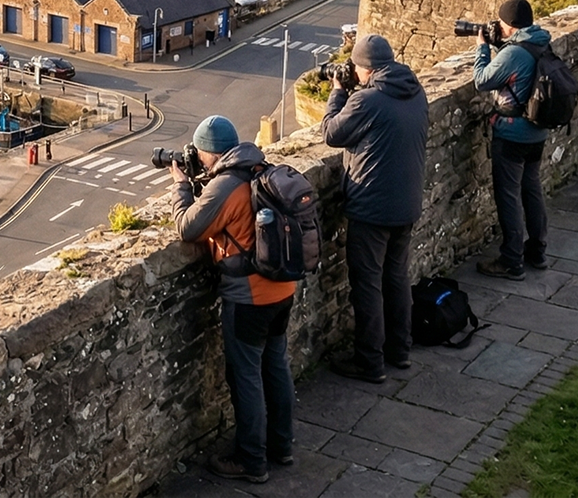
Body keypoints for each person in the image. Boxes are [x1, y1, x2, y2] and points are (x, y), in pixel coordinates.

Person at [172, 115, 295, 484]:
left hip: (250, 297)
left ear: (208, 153)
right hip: (283, 289)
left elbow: (187, 228)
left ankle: (251, 460)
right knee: (275, 367)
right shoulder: (259, 167)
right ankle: (282, 446)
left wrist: (181, 189)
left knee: (246, 377)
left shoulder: (225, 184)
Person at [321, 34, 428, 384]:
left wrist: (338, 91)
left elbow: (331, 134)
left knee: (367, 283)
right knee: (396, 278)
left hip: (372, 206)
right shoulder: (415, 89)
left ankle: (370, 361)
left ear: (363, 69)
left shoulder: (366, 100)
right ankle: (399, 351)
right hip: (407, 202)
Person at [472, 0, 551, 279]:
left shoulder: (514, 53)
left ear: (508, 25)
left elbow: (482, 81)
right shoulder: (539, 40)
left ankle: (512, 260)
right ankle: (538, 251)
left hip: (512, 133)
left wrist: (483, 48)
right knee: (531, 191)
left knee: (508, 197)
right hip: (537, 131)